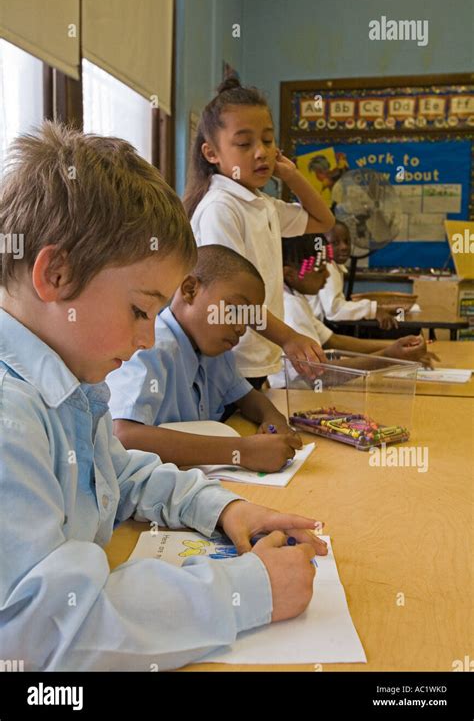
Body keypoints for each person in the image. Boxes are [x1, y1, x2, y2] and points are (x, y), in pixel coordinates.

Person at [0, 123, 327, 671]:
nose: (150, 338)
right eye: (139, 310)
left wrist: (224, 507)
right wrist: (244, 590)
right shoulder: (11, 416)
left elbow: (117, 474)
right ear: (55, 273)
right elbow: (39, 635)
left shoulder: (72, 382)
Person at [184, 77, 335, 389]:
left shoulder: (262, 204)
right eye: (244, 144)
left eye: (267, 141)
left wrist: (291, 175)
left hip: (257, 354)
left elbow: (324, 221)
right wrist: (289, 337)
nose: (261, 152)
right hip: (228, 354)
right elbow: (230, 296)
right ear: (212, 153)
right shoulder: (220, 208)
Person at [108, 244, 302, 472]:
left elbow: (249, 398)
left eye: (248, 319)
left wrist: (273, 418)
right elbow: (123, 435)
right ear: (190, 290)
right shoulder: (150, 349)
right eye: (235, 310)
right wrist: (241, 452)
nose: (241, 328)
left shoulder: (217, 355)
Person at [268, 234, 439, 387]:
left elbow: (333, 340)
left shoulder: (295, 297)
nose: (327, 276)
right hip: (291, 395)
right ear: (289, 274)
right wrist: (390, 356)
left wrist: (396, 348)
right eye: (320, 271)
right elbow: (319, 375)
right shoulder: (290, 305)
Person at [308, 220, 399, 330]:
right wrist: (373, 310)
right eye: (335, 243)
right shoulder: (328, 266)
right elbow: (334, 310)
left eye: (347, 241)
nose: (344, 247)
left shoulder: (333, 265)